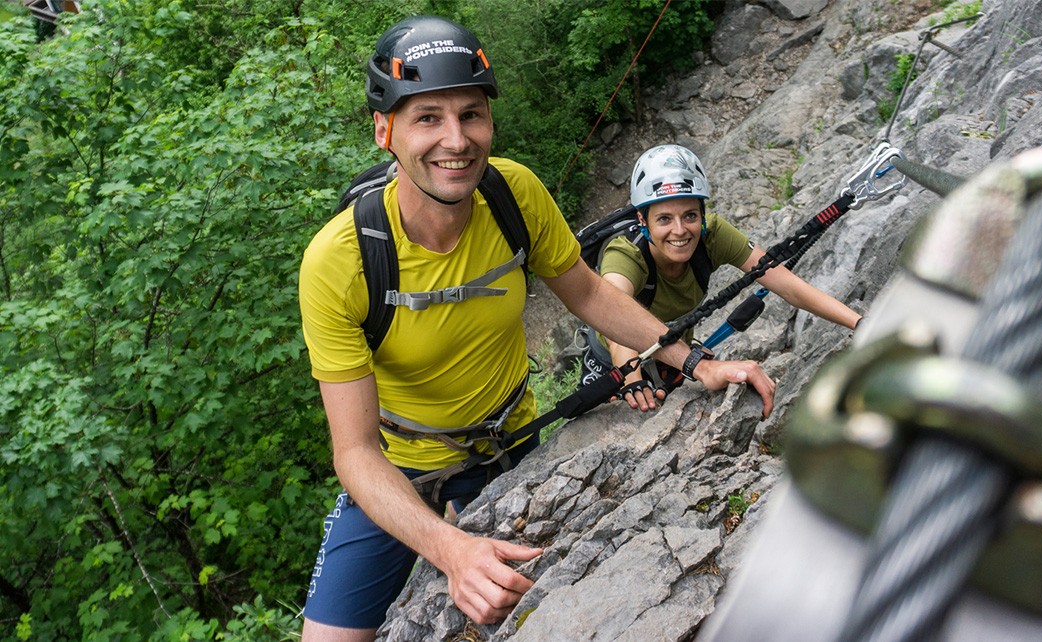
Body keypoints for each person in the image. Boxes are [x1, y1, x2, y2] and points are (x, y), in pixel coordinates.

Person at [297, 17, 777, 640]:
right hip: (399, 466)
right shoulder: (341, 261)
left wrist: (697, 363)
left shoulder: (514, 194)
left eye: (471, 114)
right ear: (384, 130)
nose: (456, 139)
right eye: (428, 118)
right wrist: (451, 552)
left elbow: (589, 295)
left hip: (510, 439)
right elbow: (354, 451)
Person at [580, 144, 862, 413]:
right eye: (664, 219)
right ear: (643, 220)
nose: (679, 230)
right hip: (615, 363)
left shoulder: (712, 236)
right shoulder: (625, 254)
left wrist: (859, 323)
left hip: (676, 356)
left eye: (690, 215)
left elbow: (788, 286)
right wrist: (632, 379)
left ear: (702, 215)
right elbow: (613, 313)